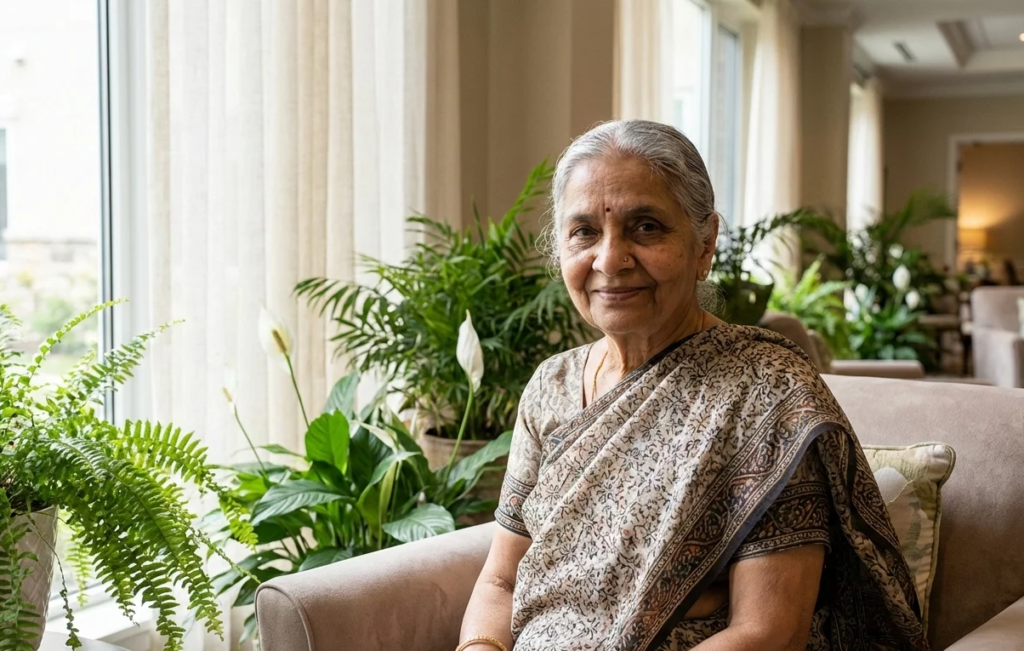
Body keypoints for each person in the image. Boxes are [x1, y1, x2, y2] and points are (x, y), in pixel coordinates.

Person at [457, 120, 927, 651]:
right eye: (584, 231)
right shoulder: (551, 386)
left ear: (705, 244)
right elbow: (501, 580)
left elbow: (769, 632)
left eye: (647, 227)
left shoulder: (768, 393)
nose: (610, 260)